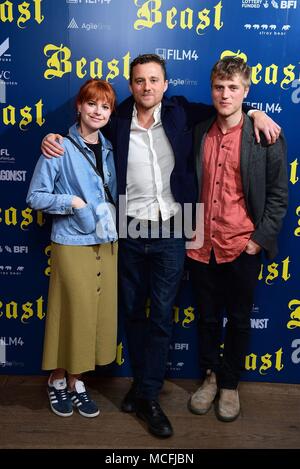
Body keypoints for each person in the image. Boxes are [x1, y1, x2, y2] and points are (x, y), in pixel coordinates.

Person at [40, 54, 281, 437]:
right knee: (134, 312)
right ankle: (141, 386)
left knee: (162, 315)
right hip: (127, 228)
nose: (147, 87)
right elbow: (84, 130)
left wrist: (256, 113)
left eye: (154, 80)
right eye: (139, 81)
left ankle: (149, 395)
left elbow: (228, 106)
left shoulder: (183, 112)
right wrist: (53, 138)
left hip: (175, 226)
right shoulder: (116, 119)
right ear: (131, 84)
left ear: (166, 84)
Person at [187, 57, 288, 422]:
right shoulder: (198, 131)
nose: (225, 94)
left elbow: (278, 196)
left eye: (233, 88)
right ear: (211, 89)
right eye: (219, 87)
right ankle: (211, 377)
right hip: (200, 245)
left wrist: (257, 241)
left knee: (240, 319)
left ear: (246, 91)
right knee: (208, 318)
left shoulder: (265, 135)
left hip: (241, 245)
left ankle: (230, 384)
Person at [27, 79, 118, 418]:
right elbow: (35, 196)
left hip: (106, 242)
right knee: (72, 313)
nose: (98, 111)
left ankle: (77, 382)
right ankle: (56, 380)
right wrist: (74, 202)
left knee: (92, 317)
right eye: (92, 104)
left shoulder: (109, 147)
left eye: (105, 106)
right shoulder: (59, 146)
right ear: (79, 106)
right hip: (72, 243)